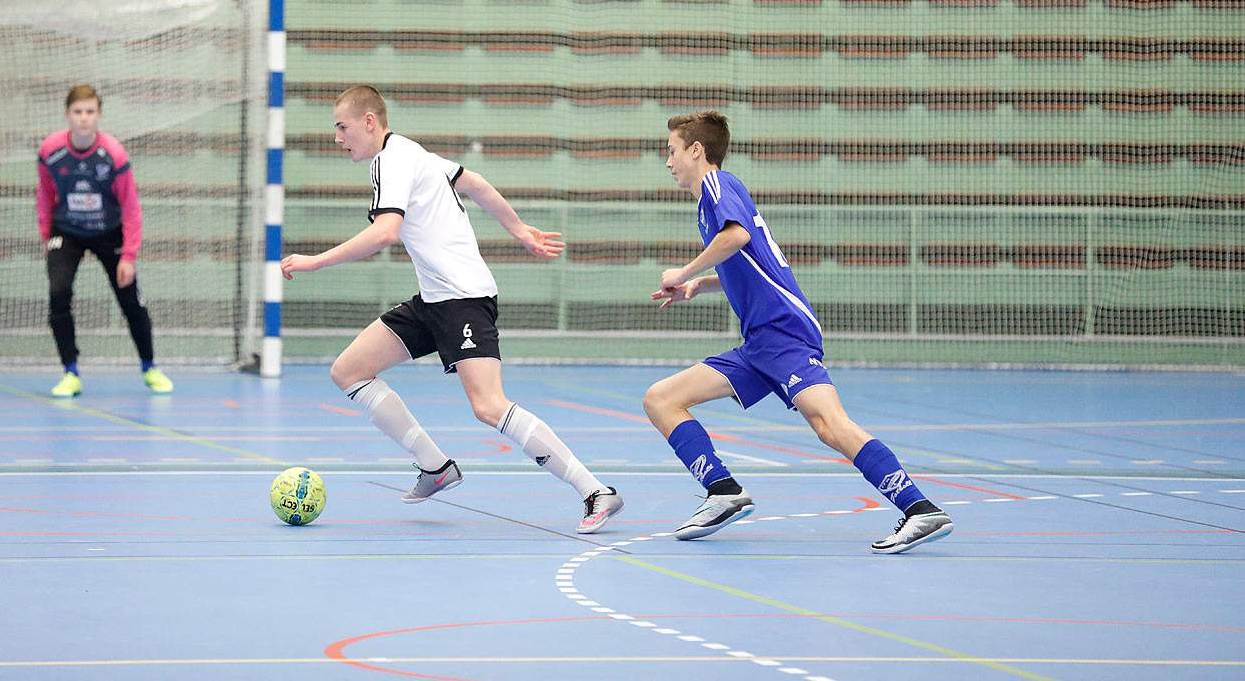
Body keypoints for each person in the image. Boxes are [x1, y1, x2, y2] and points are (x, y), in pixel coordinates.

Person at [280, 85, 624, 533]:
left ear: (369, 121)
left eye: (342, 127)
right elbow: (475, 182)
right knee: (349, 371)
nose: (338, 137)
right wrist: (518, 229)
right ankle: (435, 466)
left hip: (462, 298)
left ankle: (595, 490)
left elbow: (386, 232)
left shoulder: (390, 160)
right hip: (435, 299)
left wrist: (314, 262)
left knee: (488, 405)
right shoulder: (410, 151)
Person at [644, 110, 953, 553]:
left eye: (672, 150)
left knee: (831, 425)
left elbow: (737, 239)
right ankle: (722, 492)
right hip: (759, 344)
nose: (668, 161)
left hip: (784, 334)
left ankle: (921, 510)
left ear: (696, 150)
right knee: (661, 399)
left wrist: (684, 269)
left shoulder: (718, 184)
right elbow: (750, 261)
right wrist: (702, 282)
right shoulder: (706, 202)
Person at [36, 85, 172, 397]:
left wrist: (129, 255)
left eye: (89, 112)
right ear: (67, 114)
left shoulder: (113, 154)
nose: (83, 119)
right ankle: (70, 373)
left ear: (99, 115)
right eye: (77, 112)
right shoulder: (50, 151)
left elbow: (131, 206)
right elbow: (44, 195)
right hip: (66, 231)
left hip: (108, 231)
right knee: (58, 293)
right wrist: (47, 237)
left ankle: (150, 367)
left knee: (130, 301)